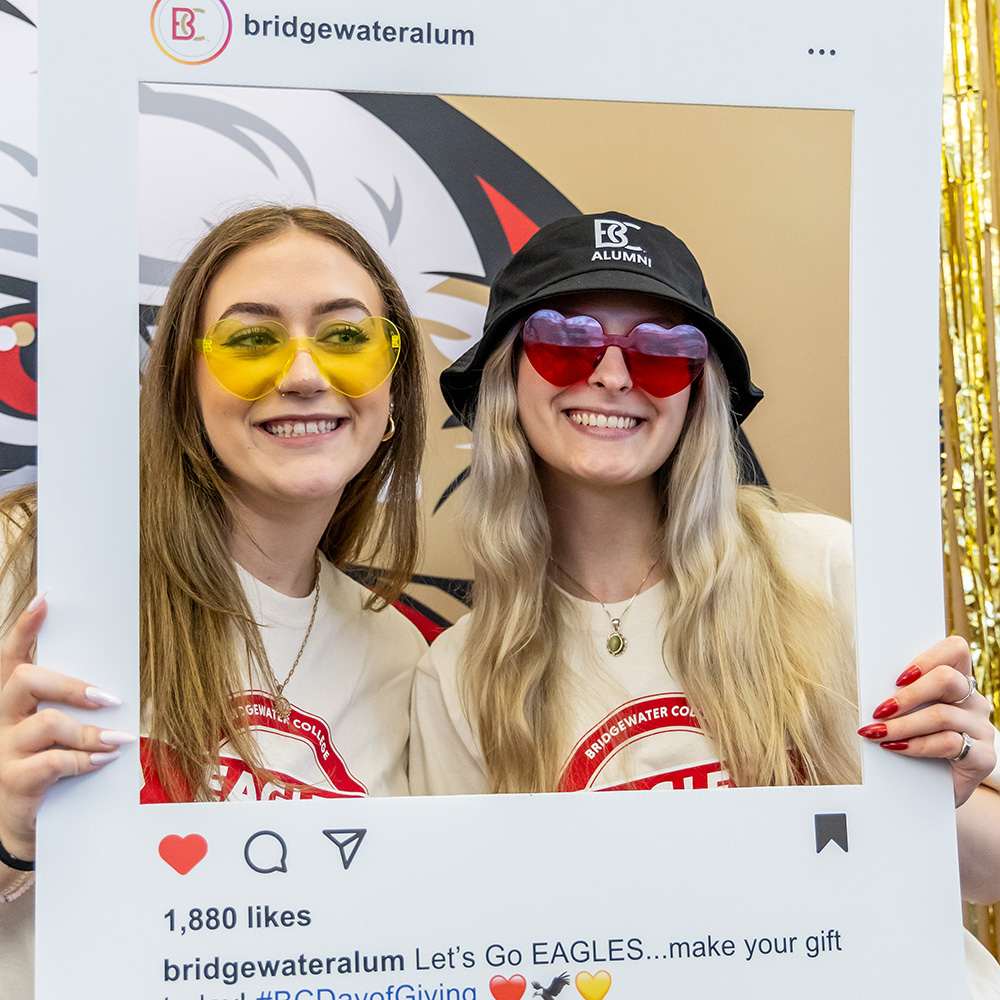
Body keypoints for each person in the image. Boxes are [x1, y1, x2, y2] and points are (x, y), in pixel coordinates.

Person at [410, 211, 1000, 990]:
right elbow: (472, 945)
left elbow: (985, 873)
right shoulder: (457, 676)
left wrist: (944, 788)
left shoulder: (824, 566)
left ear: (698, 391)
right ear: (506, 378)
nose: (614, 376)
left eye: (662, 352)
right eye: (567, 339)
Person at [0, 204, 428, 996]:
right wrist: (4, 831)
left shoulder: (400, 656)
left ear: (393, 391)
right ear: (184, 387)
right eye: (250, 341)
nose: (303, 376)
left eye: (345, 338)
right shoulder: (30, 562)